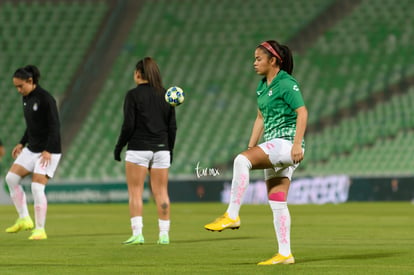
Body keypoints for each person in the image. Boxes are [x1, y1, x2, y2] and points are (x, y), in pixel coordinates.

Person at [204, 40, 307, 265]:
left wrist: (297, 144)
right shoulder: (262, 86)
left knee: (241, 161)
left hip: (286, 143)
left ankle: (232, 214)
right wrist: (252, 147)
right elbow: (260, 118)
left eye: (258, 59)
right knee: (277, 200)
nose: (254, 63)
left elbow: (302, 112)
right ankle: (285, 253)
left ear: (273, 61)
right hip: (274, 145)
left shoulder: (287, 83)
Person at [114, 57, 177, 245]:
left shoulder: (133, 95)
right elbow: (172, 127)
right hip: (161, 149)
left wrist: (119, 146)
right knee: (161, 193)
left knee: (135, 192)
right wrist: (169, 150)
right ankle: (164, 235)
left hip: (138, 149)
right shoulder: (166, 95)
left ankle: (137, 234)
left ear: (138, 74)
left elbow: (128, 125)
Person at [5, 65, 62, 240]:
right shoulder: (26, 99)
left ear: (31, 81)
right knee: (11, 179)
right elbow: (31, 126)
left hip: (49, 151)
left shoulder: (46, 99)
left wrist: (48, 150)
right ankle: (24, 219)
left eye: (20, 86)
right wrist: (22, 143)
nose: (18, 90)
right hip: (33, 148)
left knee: (37, 187)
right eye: (16, 87)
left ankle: (40, 229)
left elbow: (55, 127)